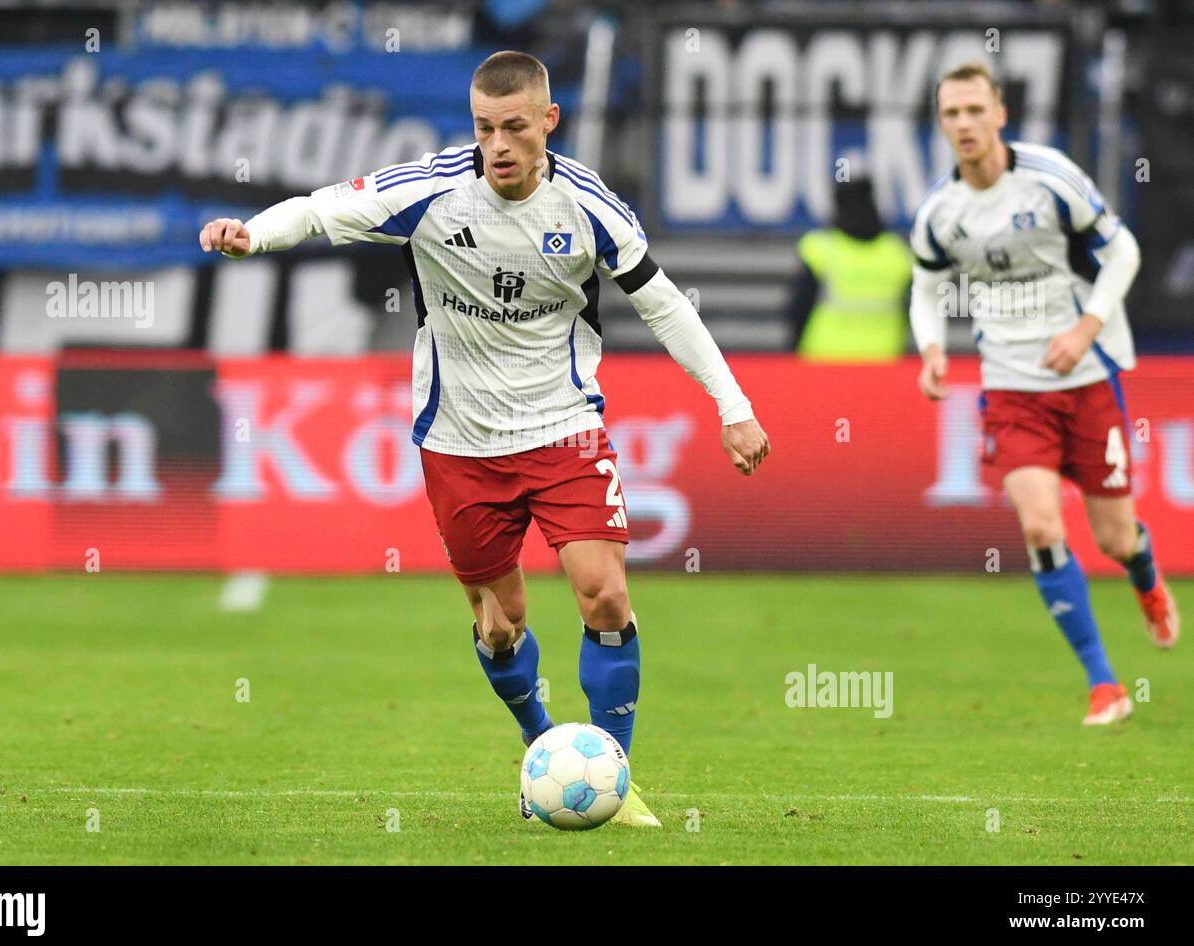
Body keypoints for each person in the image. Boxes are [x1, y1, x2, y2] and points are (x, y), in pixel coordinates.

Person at [199, 51, 770, 822]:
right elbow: (317, 207)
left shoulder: (588, 205)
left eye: (513, 127)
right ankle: (544, 751)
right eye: (483, 128)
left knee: (603, 595)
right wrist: (252, 236)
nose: (497, 144)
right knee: (501, 625)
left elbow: (665, 305)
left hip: (565, 427)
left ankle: (613, 775)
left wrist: (732, 404)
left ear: (547, 122)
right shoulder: (431, 191)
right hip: (461, 441)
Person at [909, 62, 1178, 727]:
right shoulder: (940, 213)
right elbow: (925, 286)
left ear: (1000, 113)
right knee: (1038, 526)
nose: (965, 124)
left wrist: (1087, 330)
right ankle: (1103, 683)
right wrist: (933, 348)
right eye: (952, 114)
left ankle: (1143, 573)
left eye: (976, 110)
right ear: (941, 124)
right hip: (1010, 389)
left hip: (1086, 381)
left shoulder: (1052, 178)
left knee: (1114, 539)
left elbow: (1124, 253)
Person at [789, 178, 914, 361]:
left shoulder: (820, 248)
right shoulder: (897, 252)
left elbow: (798, 308)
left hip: (823, 358)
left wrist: (792, 351)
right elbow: (913, 310)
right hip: (883, 359)